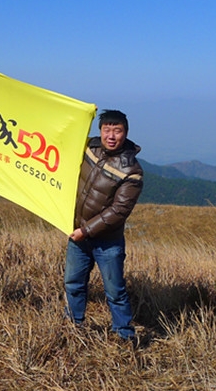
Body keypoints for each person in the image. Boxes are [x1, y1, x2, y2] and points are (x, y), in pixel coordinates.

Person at [65, 109, 143, 341]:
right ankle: (73, 328)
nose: (111, 135)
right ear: (100, 131)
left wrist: (84, 231)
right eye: (107, 130)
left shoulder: (132, 170)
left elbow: (119, 211)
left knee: (115, 291)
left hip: (107, 242)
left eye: (117, 131)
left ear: (125, 133)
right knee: (73, 284)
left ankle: (124, 337)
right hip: (78, 235)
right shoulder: (89, 147)